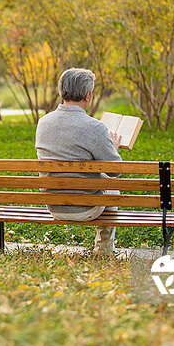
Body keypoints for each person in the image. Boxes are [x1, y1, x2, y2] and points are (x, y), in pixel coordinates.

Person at [35, 68, 122, 254]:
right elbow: (115, 170)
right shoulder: (96, 127)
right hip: (86, 208)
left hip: (54, 205)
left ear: (62, 91)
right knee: (112, 183)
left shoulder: (43, 122)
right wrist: (113, 146)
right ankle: (104, 249)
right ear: (88, 96)